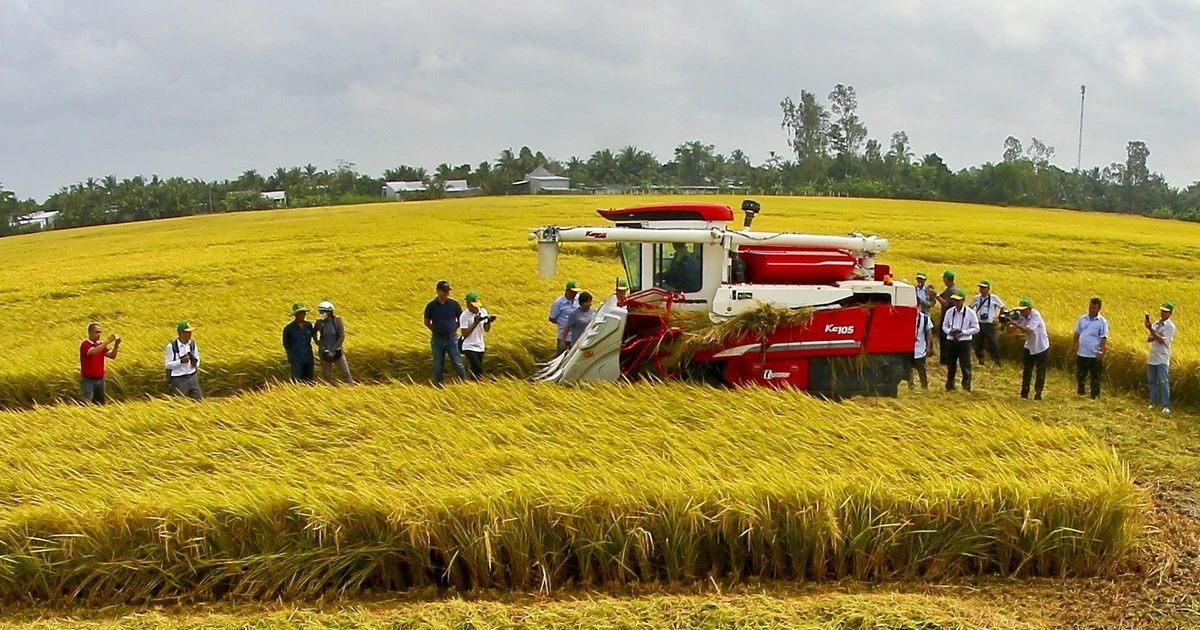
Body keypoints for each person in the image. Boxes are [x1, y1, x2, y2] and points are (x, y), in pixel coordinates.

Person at [1005, 298, 1049, 400]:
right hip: (1029, 346)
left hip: (1041, 346)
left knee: (1040, 371)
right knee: (1027, 370)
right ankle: (1024, 393)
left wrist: (1015, 324)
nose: (1021, 312)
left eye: (1023, 310)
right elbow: (1010, 332)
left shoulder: (1035, 315)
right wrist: (1008, 323)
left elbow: (1028, 330)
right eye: (1020, 310)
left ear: (1029, 309)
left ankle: (1038, 393)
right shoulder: (1020, 316)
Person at [425, 280, 467, 386]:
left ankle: (464, 382)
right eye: (444, 291)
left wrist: (453, 328)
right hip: (437, 339)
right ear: (438, 291)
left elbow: (460, 319)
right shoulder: (431, 306)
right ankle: (439, 385)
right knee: (438, 364)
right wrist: (435, 329)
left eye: (448, 291)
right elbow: (426, 321)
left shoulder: (454, 305)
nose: (447, 293)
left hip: (452, 339)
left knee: (457, 362)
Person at [941, 289, 979, 392]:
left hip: (964, 342)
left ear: (963, 300)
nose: (956, 302)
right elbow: (944, 325)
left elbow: (976, 328)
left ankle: (966, 387)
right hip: (951, 341)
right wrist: (950, 332)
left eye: (958, 300)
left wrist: (964, 332)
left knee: (965, 365)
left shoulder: (970, 313)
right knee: (951, 365)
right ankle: (949, 386)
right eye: (954, 300)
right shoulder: (949, 312)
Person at [1072, 297, 1109, 399]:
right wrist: (1073, 346)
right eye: (1090, 307)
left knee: (1095, 377)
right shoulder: (1082, 319)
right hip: (1082, 352)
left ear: (1099, 309)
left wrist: (1101, 352)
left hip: (1094, 354)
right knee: (1080, 375)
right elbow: (1077, 333)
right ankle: (1081, 393)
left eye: (1094, 308)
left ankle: (1094, 396)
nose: (1091, 310)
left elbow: (1103, 338)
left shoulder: (1102, 322)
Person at [1146, 301, 1176, 414]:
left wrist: (1152, 331)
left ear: (1170, 313)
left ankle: (1166, 405)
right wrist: (1156, 334)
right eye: (1162, 311)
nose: (1163, 313)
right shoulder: (1156, 324)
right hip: (1153, 356)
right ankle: (1153, 402)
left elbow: (1161, 340)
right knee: (1152, 380)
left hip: (1163, 357)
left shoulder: (1170, 327)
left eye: (1165, 312)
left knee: (1163, 381)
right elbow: (1149, 339)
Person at [313, 300, 354, 385]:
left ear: (329, 312)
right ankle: (333, 388)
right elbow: (314, 332)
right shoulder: (319, 322)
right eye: (320, 311)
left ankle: (352, 386)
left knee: (345, 372)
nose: (321, 313)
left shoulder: (337, 321)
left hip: (337, 351)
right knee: (327, 375)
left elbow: (341, 336)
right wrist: (317, 342)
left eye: (323, 311)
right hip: (324, 352)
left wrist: (334, 349)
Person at [80, 322, 121, 404]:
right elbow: (94, 351)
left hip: (100, 380)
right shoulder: (85, 344)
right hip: (88, 380)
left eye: (100, 332)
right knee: (86, 403)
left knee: (100, 404)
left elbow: (112, 356)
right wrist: (107, 341)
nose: (99, 334)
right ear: (90, 332)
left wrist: (116, 346)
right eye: (96, 332)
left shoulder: (100, 345)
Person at [458, 291, 494, 381]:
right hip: (468, 346)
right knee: (478, 368)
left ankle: (473, 386)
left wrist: (489, 321)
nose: (476, 308)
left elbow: (486, 329)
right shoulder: (464, 316)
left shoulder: (483, 311)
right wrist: (475, 323)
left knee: (475, 371)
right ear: (468, 305)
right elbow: (464, 333)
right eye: (474, 305)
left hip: (480, 345)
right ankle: (481, 383)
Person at [969, 280, 1005, 367]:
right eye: (980, 287)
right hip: (979, 323)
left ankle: (997, 360)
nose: (981, 289)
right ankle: (980, 359)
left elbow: (1003, 307)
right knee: (978, 343)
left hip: (989, 324)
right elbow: (970, 307)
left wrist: (998, 318)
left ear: (988, 289)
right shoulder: (977, 298)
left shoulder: (994, 298)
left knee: (993, 342)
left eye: (983, 288)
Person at [164, 321, 202, 400]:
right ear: (181, 333)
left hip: (192, 376)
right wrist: (181, 361)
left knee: (198, 400)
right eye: (188, 332)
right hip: (179, 379)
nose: (190, 334)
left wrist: (195, 363)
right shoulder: (171, 346)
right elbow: (167, 365)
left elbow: (197, 358)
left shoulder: (192, 344)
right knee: (179, 402)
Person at [282, 302, 316, 383]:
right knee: (297, 381)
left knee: (309, 380)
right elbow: (286, 344)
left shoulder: (308, 325)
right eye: (301, 313)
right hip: (296, 359)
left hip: (308, 357)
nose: (303, 315)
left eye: (304, 312)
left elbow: (312, 337)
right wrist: (291, 356)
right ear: (296, 315)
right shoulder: (289, 328)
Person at [934, 270, 959, 366]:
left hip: (948, 319)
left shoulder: (952, 290)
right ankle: (944, 359)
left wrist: (935, 295)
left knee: (946, 339)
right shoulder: (949, 289)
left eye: (943, 278)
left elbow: (945, 303)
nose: (943, 280)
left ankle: (946, 360)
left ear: (947, 279)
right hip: (948, 318)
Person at [549, 280, 581, 354]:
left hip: (577, 336)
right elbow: (552, 318)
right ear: (567, 291)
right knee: (561, 356)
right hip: (564, 337)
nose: (575, 293)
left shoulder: (579, 299)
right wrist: (564, 323)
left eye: (576, 292)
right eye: (573, 291)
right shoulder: (558, 303)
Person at [909, 308, 934, 390]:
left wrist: (928, 347)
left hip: (920, 349)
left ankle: (924, 386)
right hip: (909, 348)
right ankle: (911, 386)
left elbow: (929, 334)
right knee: (909, 368)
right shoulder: (907, 317)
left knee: (921, 369)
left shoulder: (925, 318)